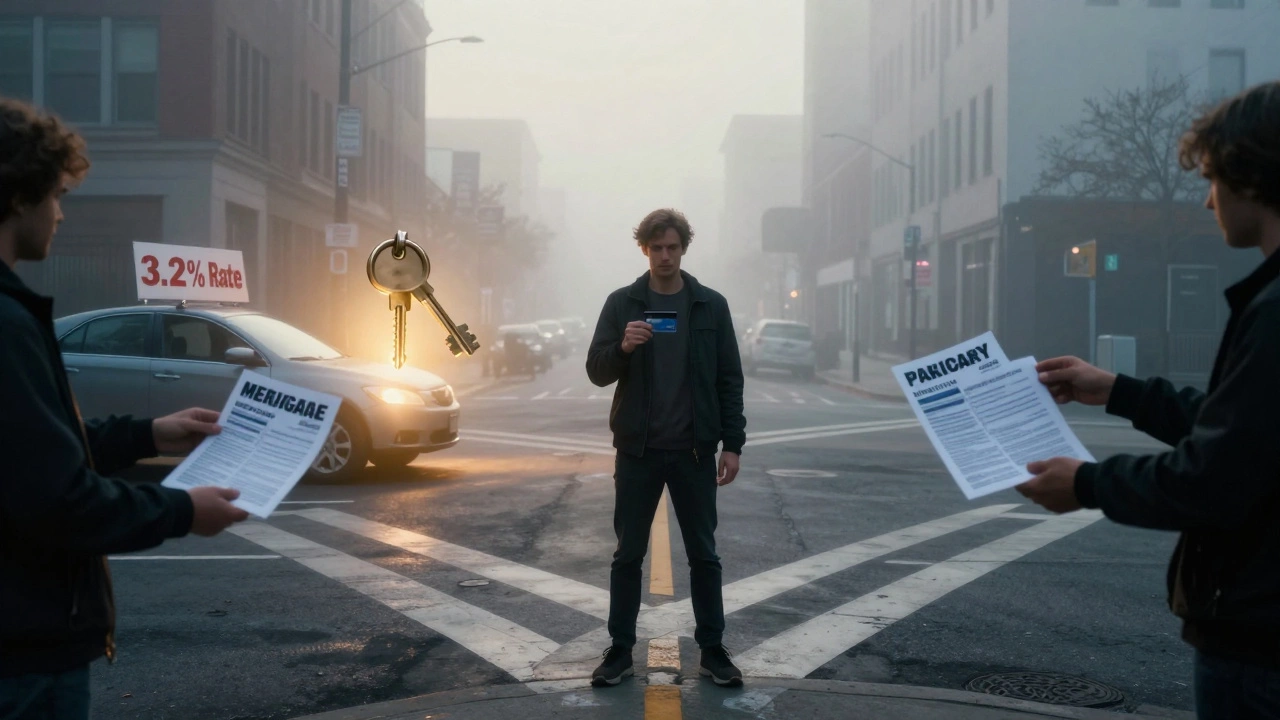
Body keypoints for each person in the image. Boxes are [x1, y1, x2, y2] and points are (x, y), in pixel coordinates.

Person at [1017, 81, 1280, 720]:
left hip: (1260, 644)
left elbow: (1216, 476)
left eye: (1213, 178)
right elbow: (1245, 433)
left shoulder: (1275, 311)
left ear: (1253, 175)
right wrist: (1121, 391)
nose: (1208, 199)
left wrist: (1086, 483)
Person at [0, 98, 249, 719]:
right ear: (19, 195)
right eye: (56, 195)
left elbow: (28, 454)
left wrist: (149, 433)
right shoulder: (6, 323)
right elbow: (58, 499)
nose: (61, 213)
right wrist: (183, 510)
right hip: (23, 657)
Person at [585, 208, 747, 687]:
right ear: (644, 250)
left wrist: (732, 444)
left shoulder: (710, 305)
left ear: (683, 249)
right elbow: (596, 371)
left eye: (672, 247)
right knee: (628, 555)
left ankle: (712, 651)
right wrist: (623, 348)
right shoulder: (623, 303)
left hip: (695, 452)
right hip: (638, 452)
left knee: (704, 555)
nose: (665, 256)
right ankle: (619, 651)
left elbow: (729, 378)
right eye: (656, 248)